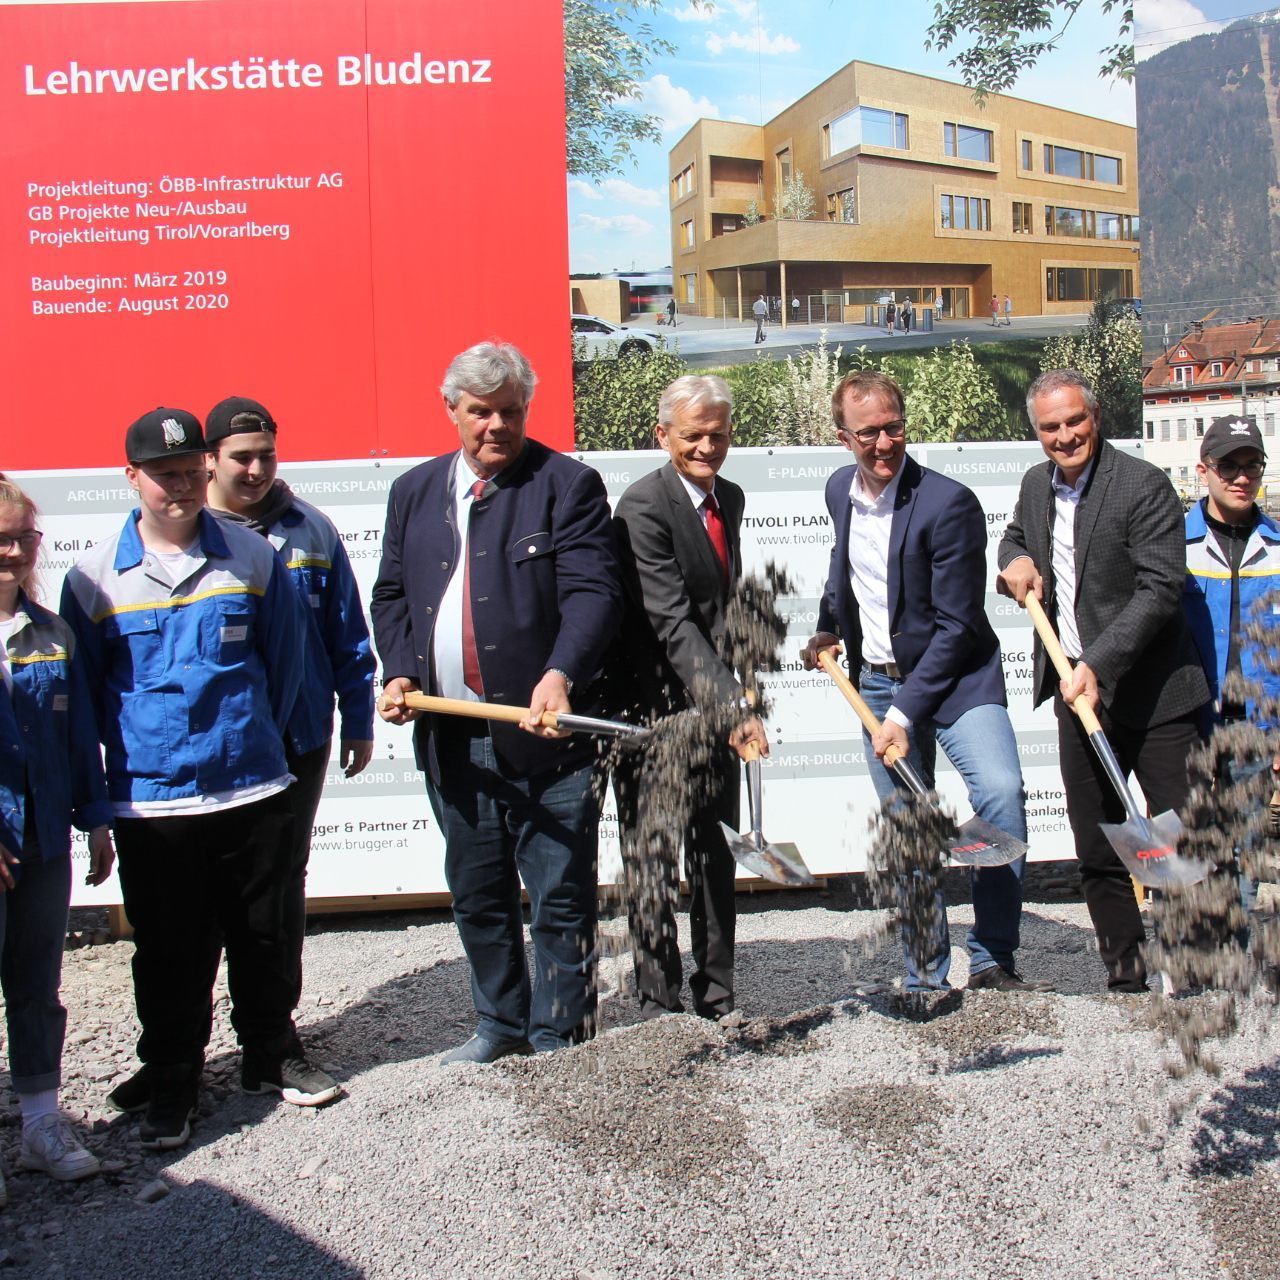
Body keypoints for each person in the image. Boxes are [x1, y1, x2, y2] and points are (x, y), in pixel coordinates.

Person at [61, 408, 321, 1153]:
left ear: (206, 470)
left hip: (252, 785)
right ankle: (173, 1075)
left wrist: (264, 748)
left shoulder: (251, 556)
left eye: (189, 471)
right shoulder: (91, 581)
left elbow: (286, 663)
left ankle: (270, 1052)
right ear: (132, 477)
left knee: (267, 931)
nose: (179, 486)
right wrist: (95, 804)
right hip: (154, 800)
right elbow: (83, 699)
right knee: (170, 945)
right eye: (163, 474)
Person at [372, 342, 621, 1064]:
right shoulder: (414, 493)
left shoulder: (567, 486)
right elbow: (391, 596)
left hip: (549, 734)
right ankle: (499, 1028)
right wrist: (396, 672)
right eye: (481, 412)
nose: (496, 426)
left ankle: (560, 1038)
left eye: (510, 412)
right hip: (452, 735)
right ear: (450, 409)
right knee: (477, 891)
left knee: (560, 896)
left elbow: (593, 594)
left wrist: (560, 671)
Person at [800, 372, 1031, 991]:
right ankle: (926, 977)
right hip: (877, 683)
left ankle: (992, 960)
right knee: (909, 825)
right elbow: (848, 570)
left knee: (1002, 793)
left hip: (958, 682)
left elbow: (957, 627)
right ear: (843, 436)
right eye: (868, 432)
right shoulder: (837, 491)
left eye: (893, 428)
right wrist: (828, 627)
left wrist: (902, 715)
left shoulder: (948, 504)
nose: (884, 443)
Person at [997, 369, 1210, 992]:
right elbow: (1014, 540)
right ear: (1037, 433)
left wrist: (1099, 662)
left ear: (1096, 419)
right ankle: (1126, 971)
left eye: (1074, 421)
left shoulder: (1141, 485)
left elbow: (1161, 588)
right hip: (1078, 696)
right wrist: (1013, 560)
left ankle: (1191, 968)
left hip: (1156, 694)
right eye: (1050, 427)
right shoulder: (1037, 485)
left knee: (1174, 836)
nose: (1064, 436)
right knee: (1096, 840)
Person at [204, 395, 376, 1057]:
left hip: (297, 742)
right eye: (240, 457)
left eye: (265, 455)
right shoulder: (190, 535)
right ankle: (182, 1050)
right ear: (210, 460)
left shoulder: (312, 530)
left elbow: (347, 636)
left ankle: (273, 1037)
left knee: (278, 890)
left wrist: (358, 720)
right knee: (199, 899)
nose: (255, 470)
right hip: (216, 747)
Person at [612, 376, 767, 1020]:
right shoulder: (642, 506)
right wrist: (729, 705)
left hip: (714, 702)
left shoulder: (727, 497)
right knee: (650, 851)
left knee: (712, 850)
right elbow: (670, 618)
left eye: (718, 435)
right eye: (692, 435)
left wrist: (745, 678)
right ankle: (656, 1000)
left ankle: (717, 992)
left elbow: (719, 605)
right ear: (663, 436)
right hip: (650, 708)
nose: (707, 447)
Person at [0, 478, 114, 1205]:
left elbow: (77, 739)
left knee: (37, 985)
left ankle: (42, 1124)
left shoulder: (53, 632)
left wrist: (96, 817)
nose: (12, 552)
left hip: (39, 846)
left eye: (23, 538)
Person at [1182, 414, 1280, 894]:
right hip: (1190, 723)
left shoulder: (1278, 545)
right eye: (1228, 466)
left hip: (1257, 727)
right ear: (1204, 470)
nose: (1242, 478)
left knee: (1243, 862)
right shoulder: (1174, 543)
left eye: (1252, 466)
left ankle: (1233, 963)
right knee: (1191, 854)